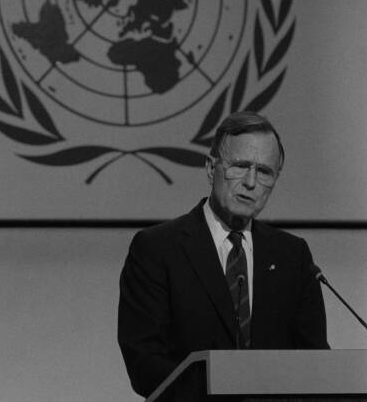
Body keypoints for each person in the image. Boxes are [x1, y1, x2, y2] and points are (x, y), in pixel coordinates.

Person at [118, 111, 329, 399]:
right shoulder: (157, 249)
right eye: (240, 166)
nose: (251, 182)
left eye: (265, 172)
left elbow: (316, 363)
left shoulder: (293, 256)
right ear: (210, 168)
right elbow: (144, 363)